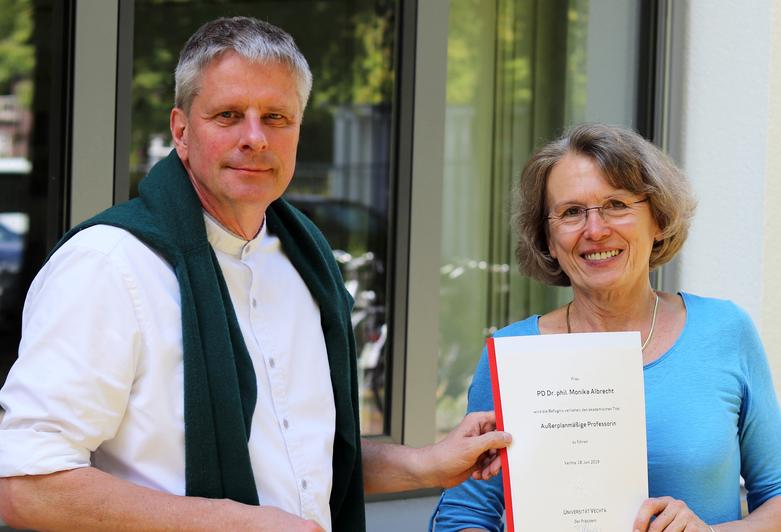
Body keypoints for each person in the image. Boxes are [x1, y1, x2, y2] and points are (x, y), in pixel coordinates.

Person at [0, 17, 510, 532]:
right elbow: (24, 484)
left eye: (275, 117)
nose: (254, 137)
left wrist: (426, 464)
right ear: (181, 130)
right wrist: (228, 524)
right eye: (228, 115)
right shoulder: (108, 266)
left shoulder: (305, 263)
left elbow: (302, 463)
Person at [429, 123, 781, 531]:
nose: (595, 229)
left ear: (658, 220)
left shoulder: (724, 330)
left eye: (617, 205)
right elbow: (463, 516)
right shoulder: (513, 354)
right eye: (571, 212)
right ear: (548, 239)